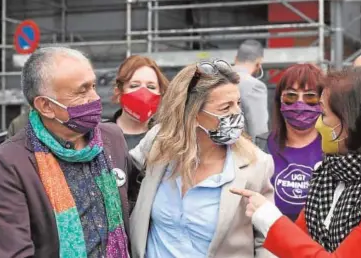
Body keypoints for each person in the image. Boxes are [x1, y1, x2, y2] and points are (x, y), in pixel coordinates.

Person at [231, 66, 361, 257]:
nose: (317, 123)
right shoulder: (329, 172)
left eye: (324, 115)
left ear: (353, 122)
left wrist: (271, 220)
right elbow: (301, 241)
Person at [0, 47, 132, 257]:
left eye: (93, 86)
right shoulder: (8, 163)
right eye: (82, 91)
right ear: (45, 106)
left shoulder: (113, 138)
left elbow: (136, 207)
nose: (95, 98)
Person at [128, 59, 275, 258]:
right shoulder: (158, 142)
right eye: (225, 108)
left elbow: (266, 241)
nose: (237, 114)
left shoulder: (255, 164)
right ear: (192, 113)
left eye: (238, 104)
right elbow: (122, 179)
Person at [254, 63, 324, 221]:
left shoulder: (335, 150)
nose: (300, 104)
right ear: (280, 100)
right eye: (291, 96)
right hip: (267, 241)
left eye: (310, 96)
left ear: (323, 102)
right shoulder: (260, 146)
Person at [106, 55, 168, 211]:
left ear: (161, 94)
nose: (143, 93)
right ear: (119, 91)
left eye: (151, 87)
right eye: (134, 85)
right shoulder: (99, 136)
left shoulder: (168, 137)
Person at [233, 39, 269, 138]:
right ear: (259, 63)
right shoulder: (255, 86)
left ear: (235, 59)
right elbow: (259, 131)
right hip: (239, 150)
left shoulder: (215, 79)